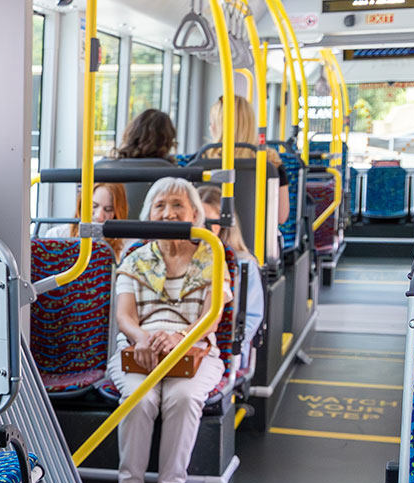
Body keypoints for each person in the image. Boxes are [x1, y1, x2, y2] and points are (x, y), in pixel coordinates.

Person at [106, 178, 233, 483]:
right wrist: (143, 338)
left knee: (184, 397)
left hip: (195, 346)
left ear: (194, 213)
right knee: (139, 397)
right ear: (149, 213)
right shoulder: (135, 258)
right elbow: (125, 316)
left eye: (178, 205)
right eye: (161, 205)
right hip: (139, 346)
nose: (169, 213)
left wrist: (180, 337)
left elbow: (213, 315)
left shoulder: (212, 254)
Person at [200, 95, 292, 226]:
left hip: (212, 240)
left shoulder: (202, 161)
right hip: (260, 242)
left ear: (217, 126)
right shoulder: (271, 162)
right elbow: (281, 216)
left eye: (211, 123)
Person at [198, 186, 264, 355]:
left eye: (211, 223)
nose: (204, 229)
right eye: (199, 221)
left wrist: (229, 347)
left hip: (224, 350)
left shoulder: (243, 264)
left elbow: (251, 318)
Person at [98, 108, 178, 215]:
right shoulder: (172, 174)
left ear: (130, 134)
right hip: (155, 230)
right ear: (168, 140)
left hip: (110, 229)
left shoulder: (102, 168)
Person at [41, 183, 129, 256]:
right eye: (94, 206)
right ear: (82, 204)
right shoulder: (56, 236)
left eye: (108, 209)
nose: (99, 216)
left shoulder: (128, 246)